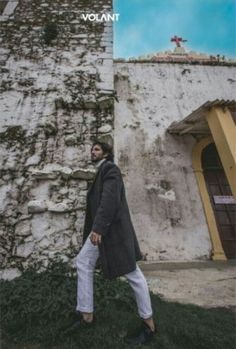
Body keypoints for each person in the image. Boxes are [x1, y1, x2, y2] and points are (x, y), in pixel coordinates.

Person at [73, 141, 156, 345]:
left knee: (133, 274)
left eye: (97, 149)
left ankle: (149, 324)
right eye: (92, 149)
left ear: (106, 153)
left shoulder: (110, 169)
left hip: (112, 233)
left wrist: (99, 228)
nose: (93, 152)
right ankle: (86, 315)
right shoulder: (101, 171)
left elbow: (110, 199)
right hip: (101, 233)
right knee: (83, 262)